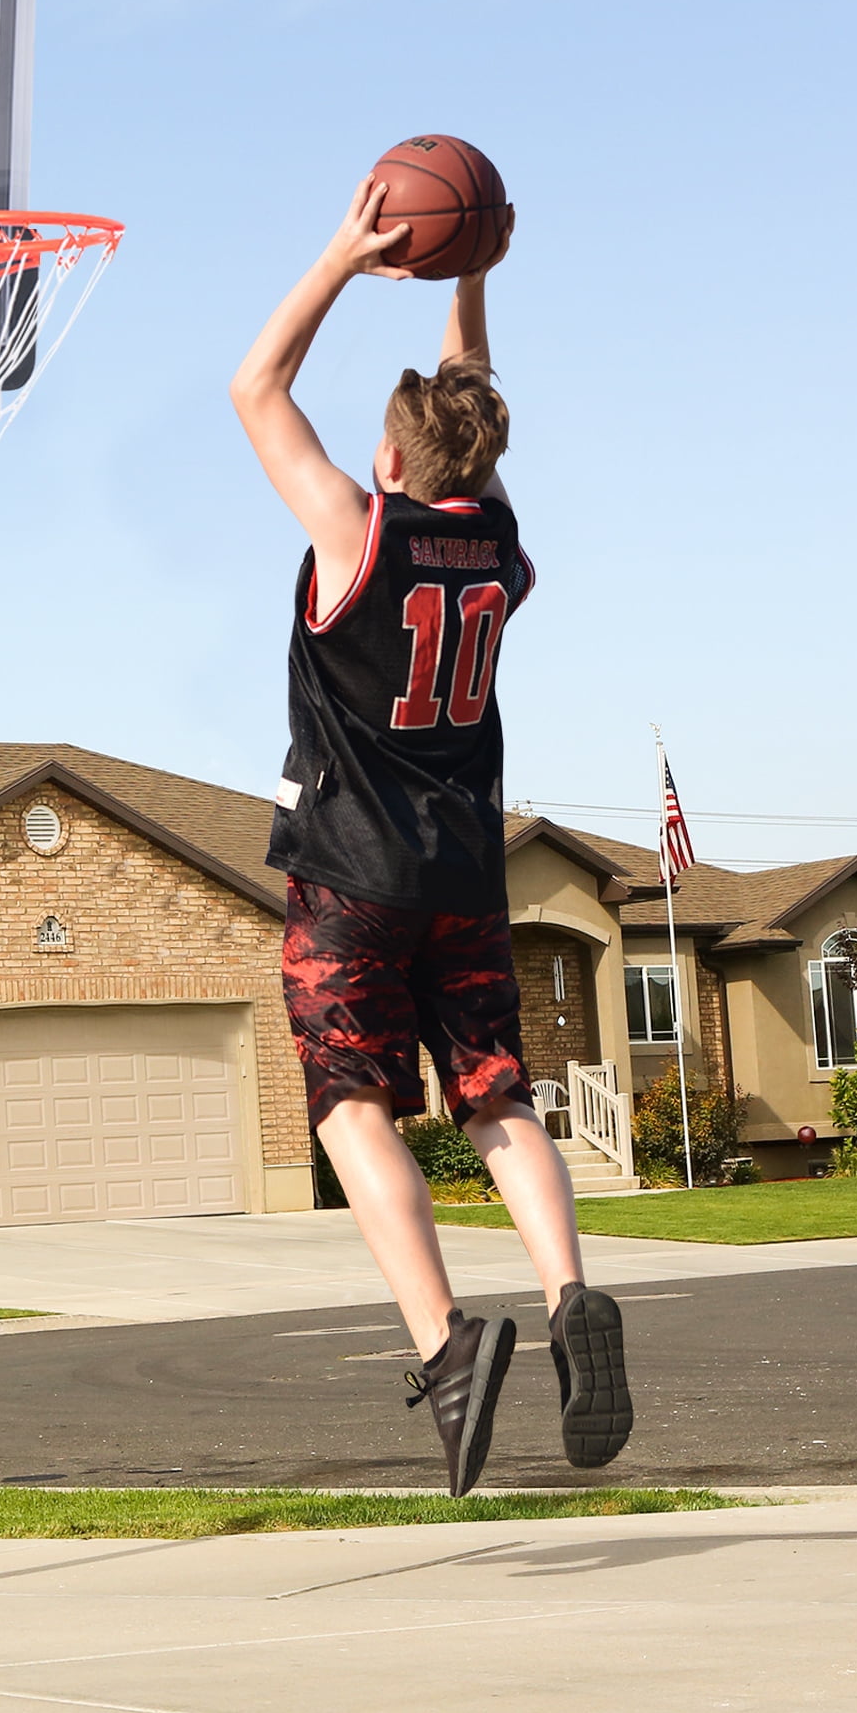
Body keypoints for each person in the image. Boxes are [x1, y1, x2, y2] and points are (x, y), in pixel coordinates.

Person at [229, 177, 632, 1496]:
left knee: (351, 1106)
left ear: (391, 461)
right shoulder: (497, 547)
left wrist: (345, 254)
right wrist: (472, 274)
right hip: (465, 872)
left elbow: (254, 388)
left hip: (352, 875)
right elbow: (471, 401)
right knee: (497, 1093)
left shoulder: (361, 532)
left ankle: (448, 1348)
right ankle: (574, 1295)